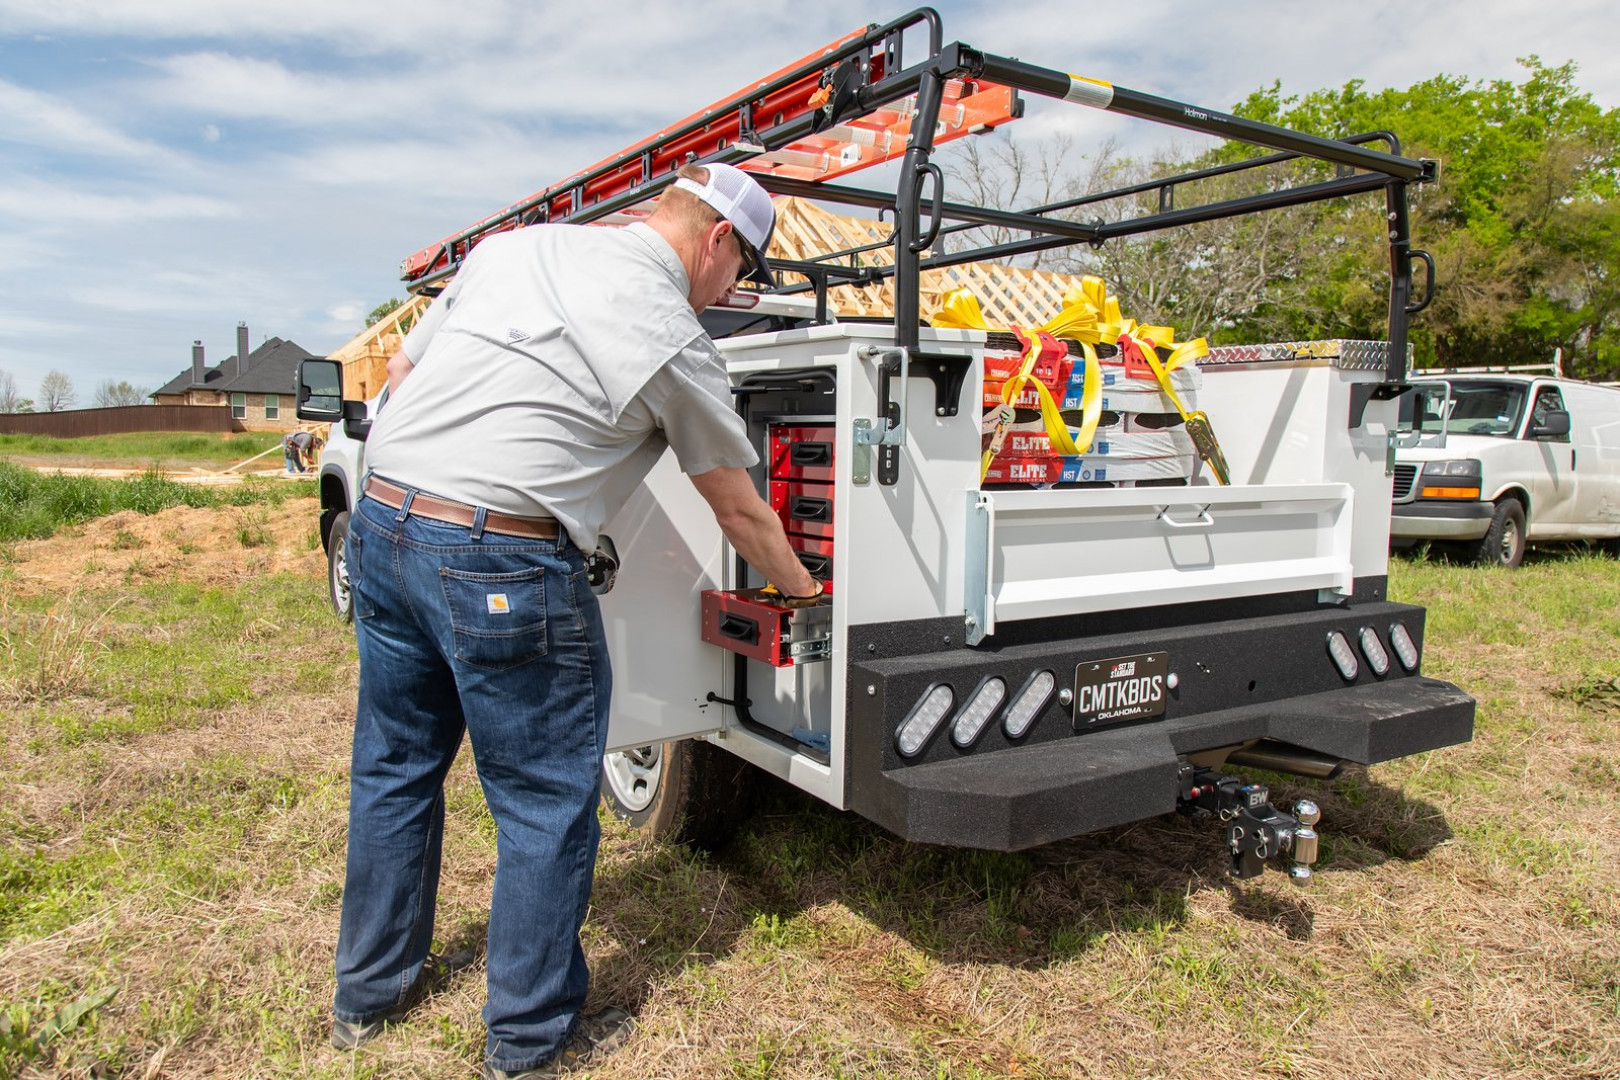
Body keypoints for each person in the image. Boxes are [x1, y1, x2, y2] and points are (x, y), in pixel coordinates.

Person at [329, 162, 822, 1079]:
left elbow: (399, 371)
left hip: (387, 521)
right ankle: (527, 1041)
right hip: (500, 560)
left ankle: (370, 996)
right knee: (547, 805)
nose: (734, 291)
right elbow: (742, 514)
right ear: (717, 238)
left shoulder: (512, 251)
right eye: (741, 269)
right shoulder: (673, 336)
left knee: (395, 769)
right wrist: (804, 591)